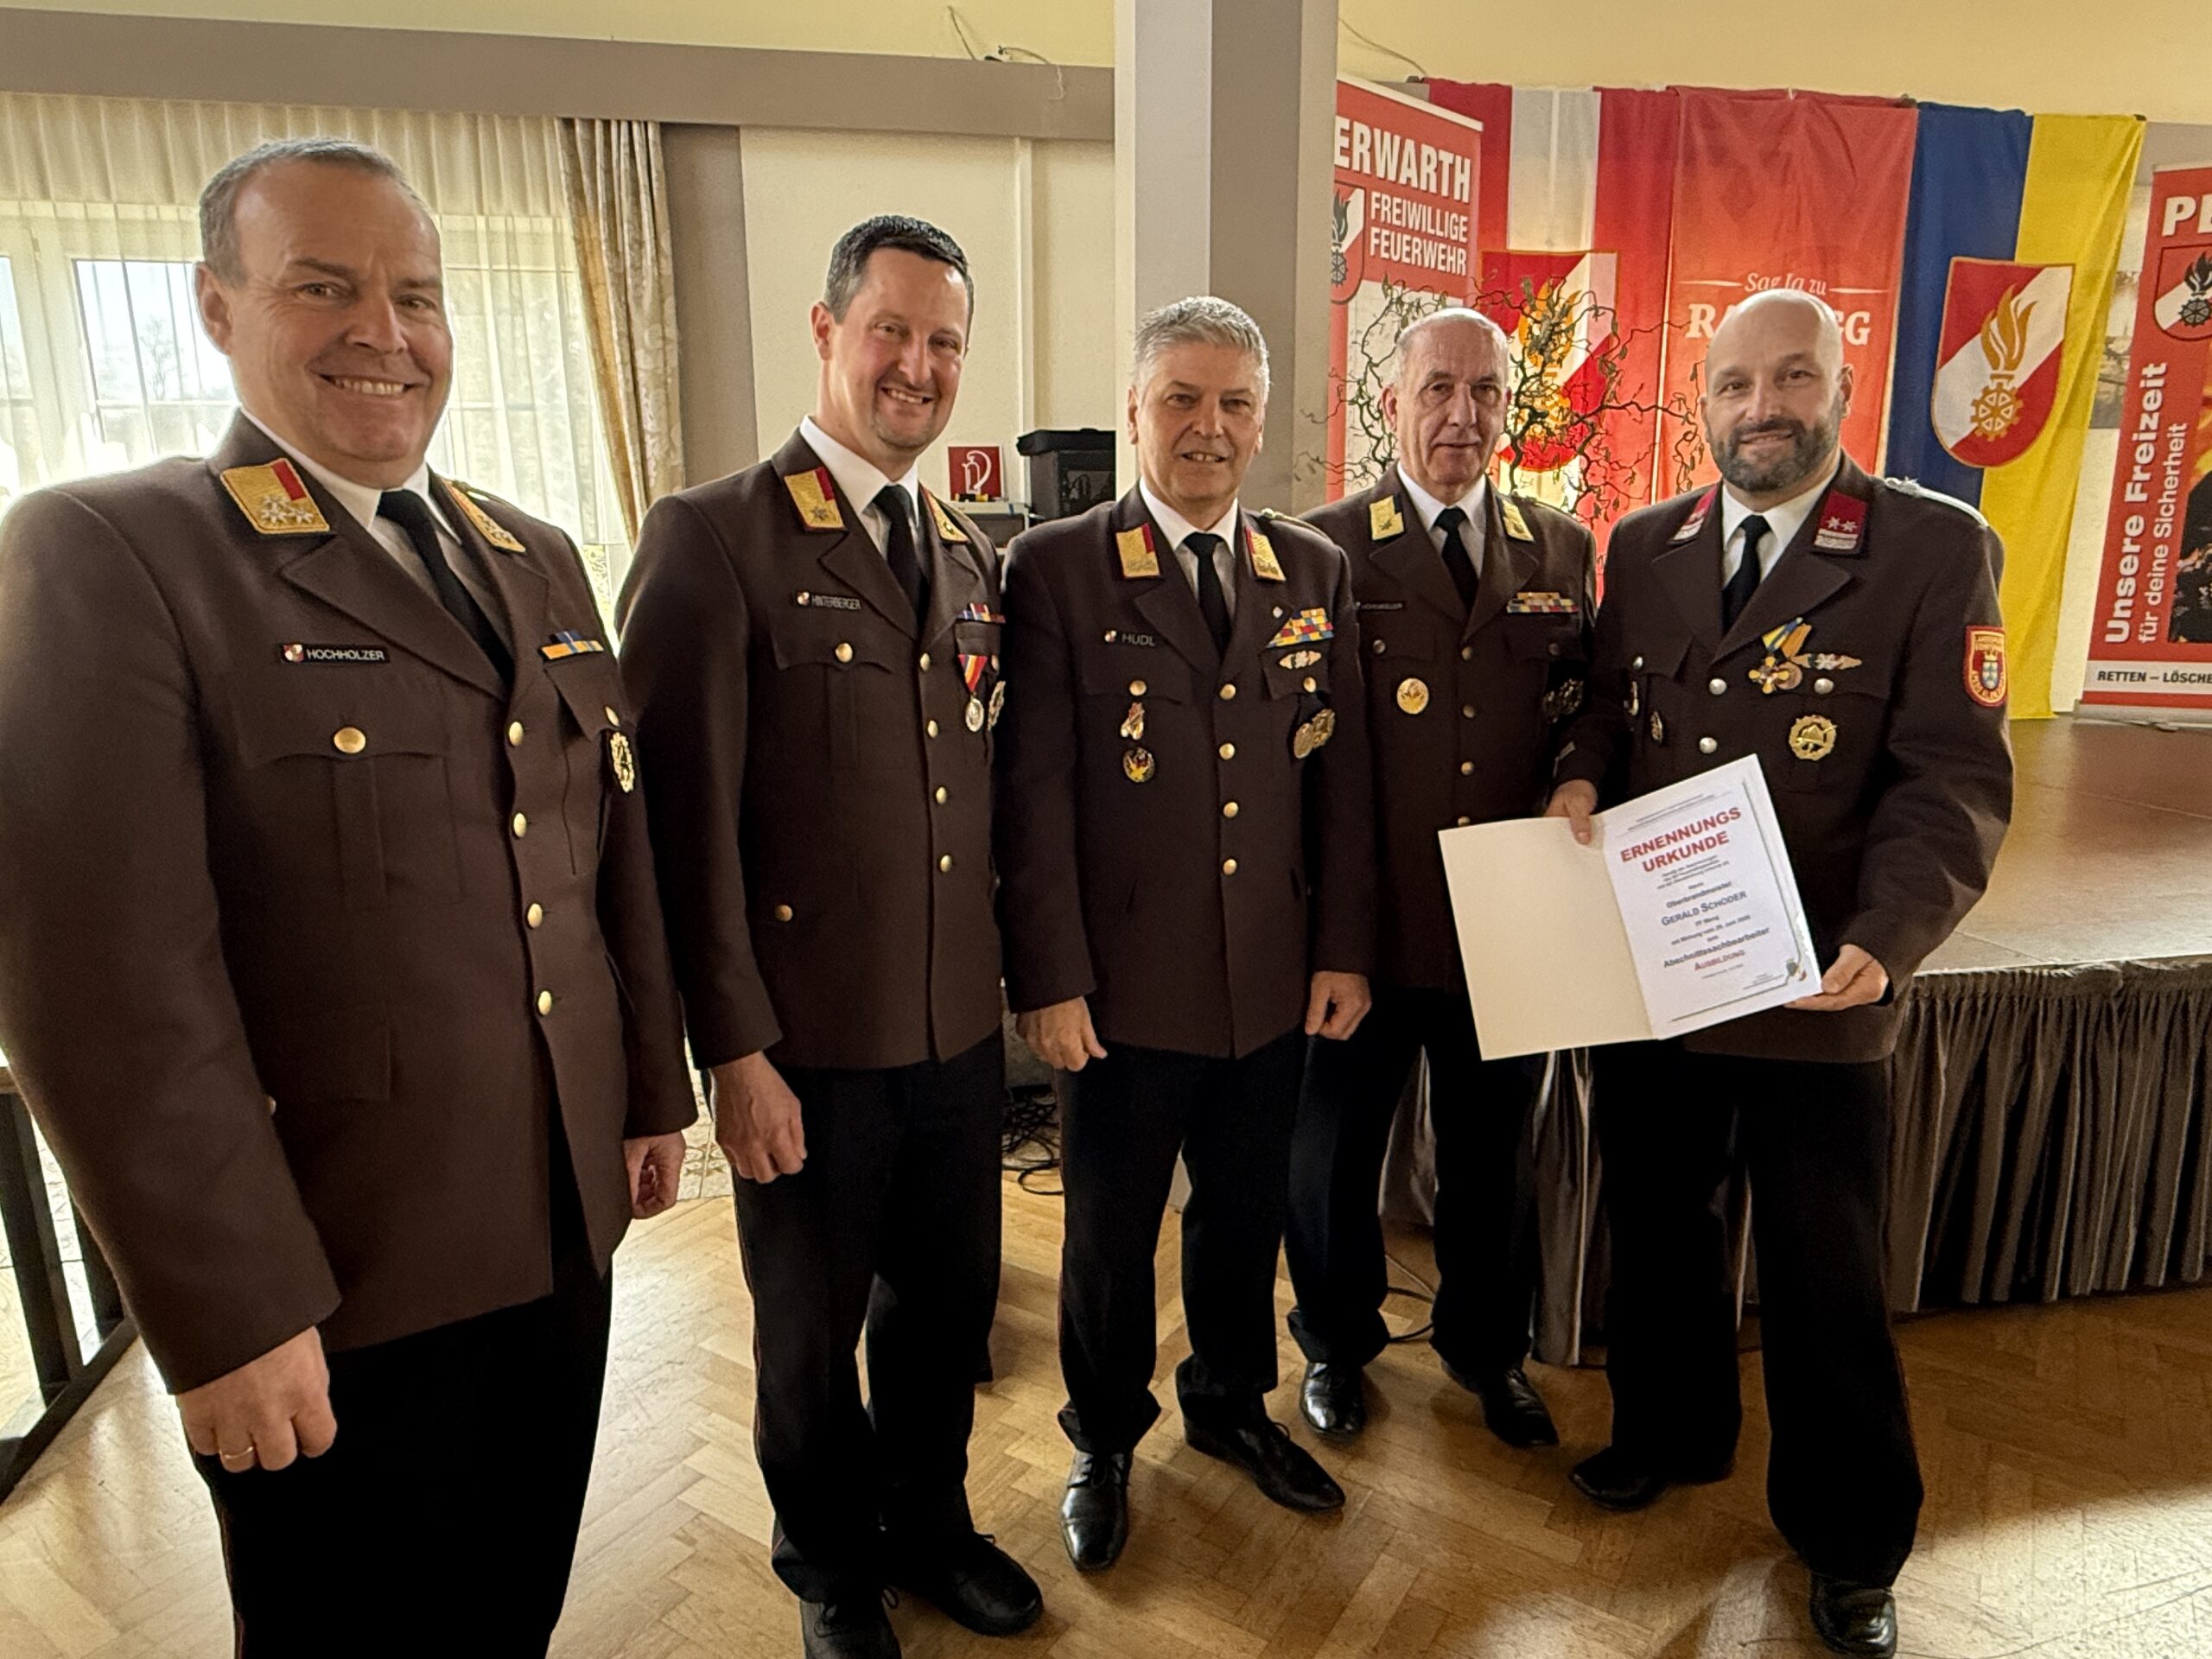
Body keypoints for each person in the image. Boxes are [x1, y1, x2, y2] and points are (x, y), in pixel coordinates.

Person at [0, 137, 696, 1653]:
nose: (385, 332)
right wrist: (229, 1312)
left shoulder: (533, 555)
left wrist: (652, 1091)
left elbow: (603, 854)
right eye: (324, 287)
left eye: (417, 296)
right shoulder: (119, 552)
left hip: (560, 1230)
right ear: (217, 308)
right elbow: (107, 991)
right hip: (334, 1278)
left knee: (510, 1606)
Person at [1545, 289, 2012, 1659]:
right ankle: (1670, 1432)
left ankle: (1852, 1541)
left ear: (1843, 390)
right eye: (1737, 384)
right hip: (1659, 972)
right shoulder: (1647, 545)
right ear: (1704, 401)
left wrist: (1889, 938)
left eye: (1794, 378)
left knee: (1824, 1269)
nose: (1765, 408)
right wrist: (1579, 774)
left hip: (1822, 985)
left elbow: (1951, 776)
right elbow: (1606, 706)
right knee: (1657, 1224)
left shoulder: (1934, 548)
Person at [617, 215, 1039, 1659]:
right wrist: (732, 1053)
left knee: (944, 1315)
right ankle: (830, 1569)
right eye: (892, 331)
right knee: (806, 1338)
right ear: (826, 331)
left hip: (954, 1031)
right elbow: (678, 833)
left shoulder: (968, 554)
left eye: (945, 343)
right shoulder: (714, 538)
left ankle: (930, 1525)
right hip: (805, 1048)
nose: (918, 366)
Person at [994, 296, 1376, 1573]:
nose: (1208, 428)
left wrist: (1343, 949)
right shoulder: (1055, 567)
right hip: (1119, 991)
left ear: (1261, 423)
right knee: (1109, 1235)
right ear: (1135, 410)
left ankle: (1228, 1403)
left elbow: (1340, 786)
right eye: (1182, 400)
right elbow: (1033, 798)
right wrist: (1048, 977)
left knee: (1244, 1214)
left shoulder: (1311, 571)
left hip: (1268, 976)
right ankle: (1103, 1437)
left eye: (1233, 405)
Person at [1287, 308, 1592, 1446]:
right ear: (1391, 404)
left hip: (1507, 924)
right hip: (1364, 930)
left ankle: (1486, 1350)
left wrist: (1580, 773)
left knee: (1493, 1161)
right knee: (1332, 1160)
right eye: (1437, 390)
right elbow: (1300, 752)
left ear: (1509, 406)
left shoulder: (1560, 548)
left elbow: (1589, 705)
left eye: (1485, 392)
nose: (1462, 414)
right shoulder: (1323, 549)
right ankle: (1335, 1344)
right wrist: (1327, 934)